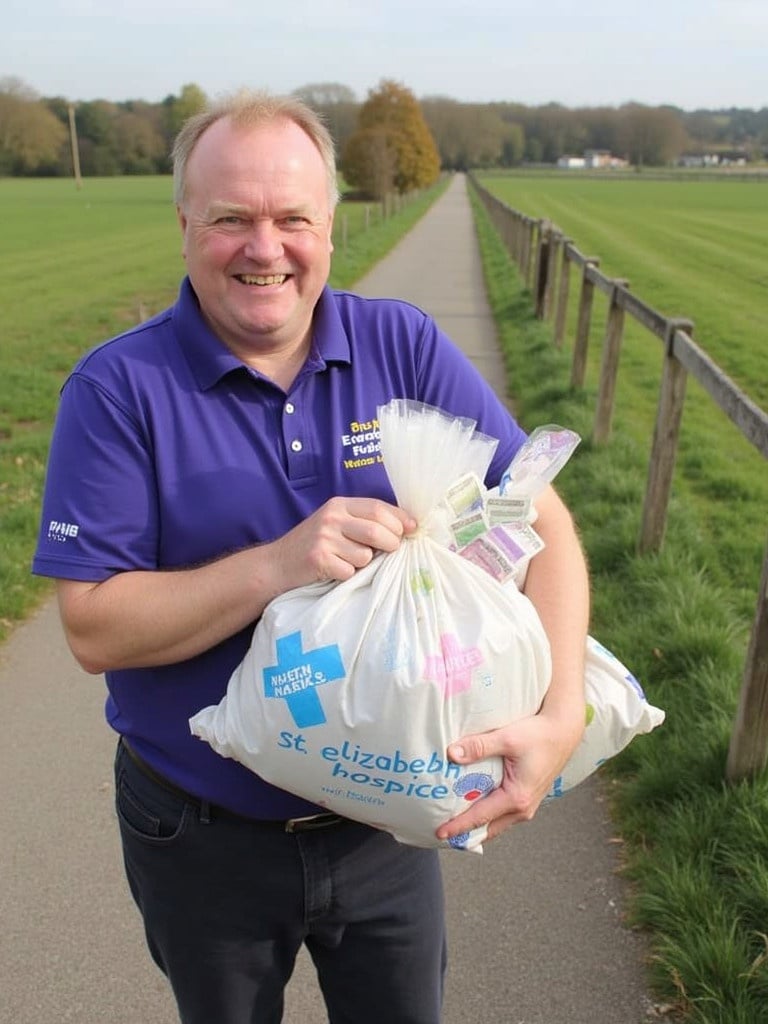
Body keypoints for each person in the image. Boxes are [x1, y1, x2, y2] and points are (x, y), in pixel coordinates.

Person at [33, 89, 589, 1024]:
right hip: (200, 831)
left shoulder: (399, 344)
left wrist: (563, 715)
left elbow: (549, 525)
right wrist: (277, 564)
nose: (265, 248)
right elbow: (93, 628)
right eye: (230, 219)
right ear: (183, 226)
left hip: (387, 824)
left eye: (293, 217)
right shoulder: (118, 389)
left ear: (329, 224)